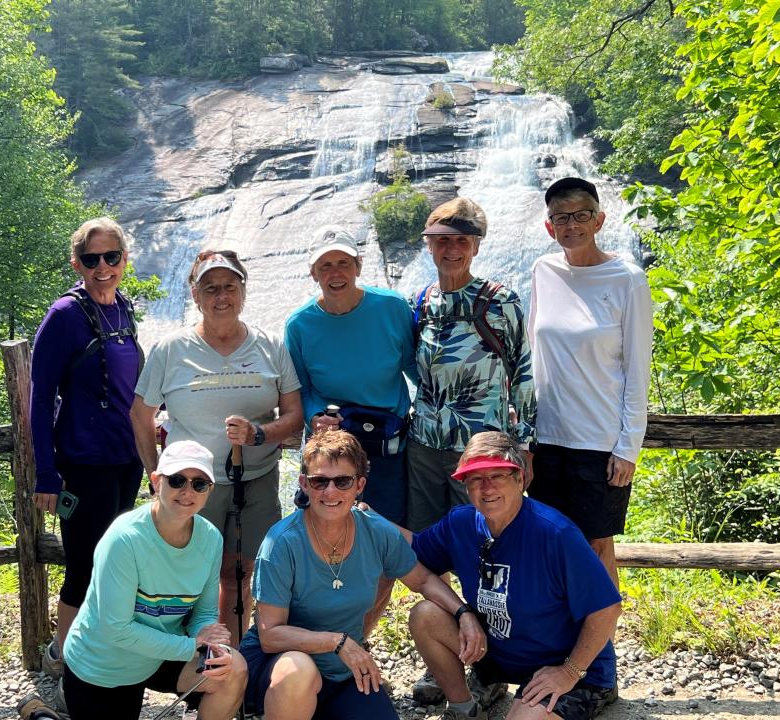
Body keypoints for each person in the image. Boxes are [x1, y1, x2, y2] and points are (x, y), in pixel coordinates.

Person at [239, 430, 485, 720]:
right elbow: (270, 635)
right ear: (304, 484)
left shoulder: (376, 531)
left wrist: (464, 613)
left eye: (343, 481)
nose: (330, 492)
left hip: (342, 671)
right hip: (281, 666)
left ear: (360, 485)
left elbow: (423, 580)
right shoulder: (281, 543)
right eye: (320, 481)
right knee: (300, 671)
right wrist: (338, 642)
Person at [131, 249, 302, 647]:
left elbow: (294, 415)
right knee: (186, 574)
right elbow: (141, 416)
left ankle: (228, 659)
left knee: (240, 573)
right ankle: (178, 655)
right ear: (195, 296)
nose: (221, 296)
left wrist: (258, 434)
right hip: (191, 486)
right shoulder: (171, 349)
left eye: (229, 286)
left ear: (243, 290)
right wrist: (159, 477)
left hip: (256, 480)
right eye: (210, 288)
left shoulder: (271, 345)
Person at [406, 197, 536, 706]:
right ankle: (442, 657)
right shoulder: (421, 302)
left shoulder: (500, 302)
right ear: (430, 247)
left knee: (484, 558)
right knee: (428, 554)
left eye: (460, 239)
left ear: (476, 245)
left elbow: (523, 372)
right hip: (424, 446)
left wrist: (523, 445)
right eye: (440, 240)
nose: (450, 249)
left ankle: (488, 665)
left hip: (481, 455)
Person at [408, 432, 622, 720]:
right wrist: (364, 518)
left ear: (520, 479)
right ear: (465, 486)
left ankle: (595, 690)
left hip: (569, 666)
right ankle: (464, 708)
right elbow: (411, 552)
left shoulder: (555, 533)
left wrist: (569, 672)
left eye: (497, 476)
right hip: (498, 652)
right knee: (425, 614)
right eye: (475, 479)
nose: (487, 488)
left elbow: (608, 608)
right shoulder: (460, 523)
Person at [284, 225, 416, 635]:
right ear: (313, 273)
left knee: (387, 540)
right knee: (321, 539)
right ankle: (321, 634)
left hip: (387, 442)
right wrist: (313, 418)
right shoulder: (300, 325)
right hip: (330, 445)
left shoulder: (393, 308)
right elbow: (300, 388)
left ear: (359, 265)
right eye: (326, 265)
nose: (335, 272)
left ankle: (360, 636)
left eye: (343, 262)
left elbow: (418, 369)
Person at [29, 217, 143, 677]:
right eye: (92, 259)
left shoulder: (124, 308)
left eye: (111, 257)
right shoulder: (64, 317)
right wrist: (46, 473)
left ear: (123, 260)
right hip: (83, 462)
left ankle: (99, 649)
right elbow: (39, 401)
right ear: (77, 262)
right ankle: (61, 659)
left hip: (126, 460)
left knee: (116, 561)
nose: (102, 267)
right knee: (82, 563)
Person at [527, 177, 653, 592]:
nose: (571, 225)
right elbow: (530, 351)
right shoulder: (543, 271)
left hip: (599, 442)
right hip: (546, 438)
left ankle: (598, 651)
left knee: (597, 545)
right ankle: (560, 643)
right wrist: (525, 435)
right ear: (549, 227)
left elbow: (637, 368)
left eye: (581, 215)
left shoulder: (627, 279)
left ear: (599, 219)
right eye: (561, 218)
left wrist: (628, 446)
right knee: (549, 543)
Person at [61, 440, 247, 720]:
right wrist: (192, 644)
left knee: (233, 669)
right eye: (177, 480)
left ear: (210, 490)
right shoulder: (124, 539)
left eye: (199, 484)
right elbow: (117, 629)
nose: (187, 491)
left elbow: (204, 611)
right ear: (156, 481)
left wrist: (211, 640)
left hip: (157, 656)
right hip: (103, 667)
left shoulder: (210, 539)